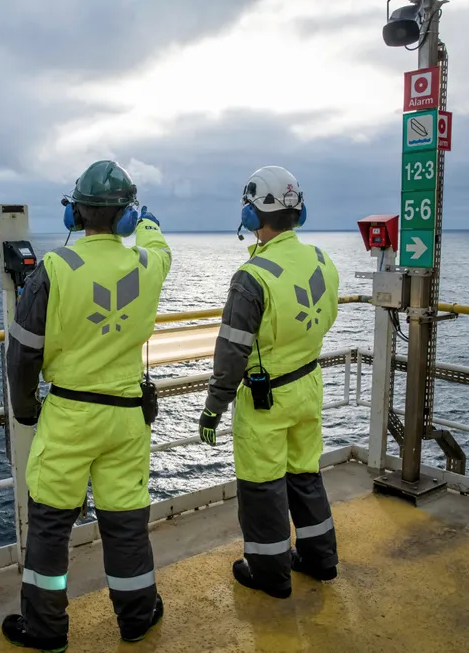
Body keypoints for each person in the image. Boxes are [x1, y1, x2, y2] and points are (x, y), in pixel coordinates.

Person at [2, 160, 172, 651]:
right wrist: (147, 224)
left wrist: (26, 407)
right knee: (125, 523)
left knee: (51, 527)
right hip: (126, 419)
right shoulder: (147, 263)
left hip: (71, 417)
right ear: (125, 216)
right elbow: (158, 245)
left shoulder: (54, 269)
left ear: (75, 215)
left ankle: (46, 629)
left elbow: (22, 354)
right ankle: (137, 617)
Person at [197, 165, 340, 599]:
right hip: (308, 384)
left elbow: (231, 355)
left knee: (262, 489)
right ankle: (321, 560)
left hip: (267, 399)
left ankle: (269, 573)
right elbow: (327, 317)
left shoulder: (252, 278)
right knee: (304, 477)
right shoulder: (321, 259)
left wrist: (213, 409)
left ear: (252, 216)